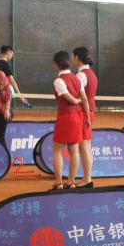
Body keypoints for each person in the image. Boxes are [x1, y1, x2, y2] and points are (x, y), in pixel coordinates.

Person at [50, 51, 90, 191]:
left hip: (65, 117)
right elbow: (85, 99)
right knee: (74, 152)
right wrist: (87, 118)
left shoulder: (58, 81)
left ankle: (59, 182)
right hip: (78, 117)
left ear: (55, 64)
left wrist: (76, 101)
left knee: (57, 151)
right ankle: (71, 182)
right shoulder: (77, 79)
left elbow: (72, 100)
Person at [72, 46, 97, 187]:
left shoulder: (81, 76)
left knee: (84, 146)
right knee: (86, 145)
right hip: (89, 111)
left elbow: (77, 96)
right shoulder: (91, 73)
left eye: (73, 56)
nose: (71, 59)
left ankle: (87, 179)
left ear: (77, 58)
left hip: (83, 112)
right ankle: (87, 177)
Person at [0, 46, 27, 114]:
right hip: (2, 94)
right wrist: (20, 95)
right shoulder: (5, 64)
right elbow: (12, 81)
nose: (12, 56)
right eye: (12, 54)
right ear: (8, 53)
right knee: (8, 113)